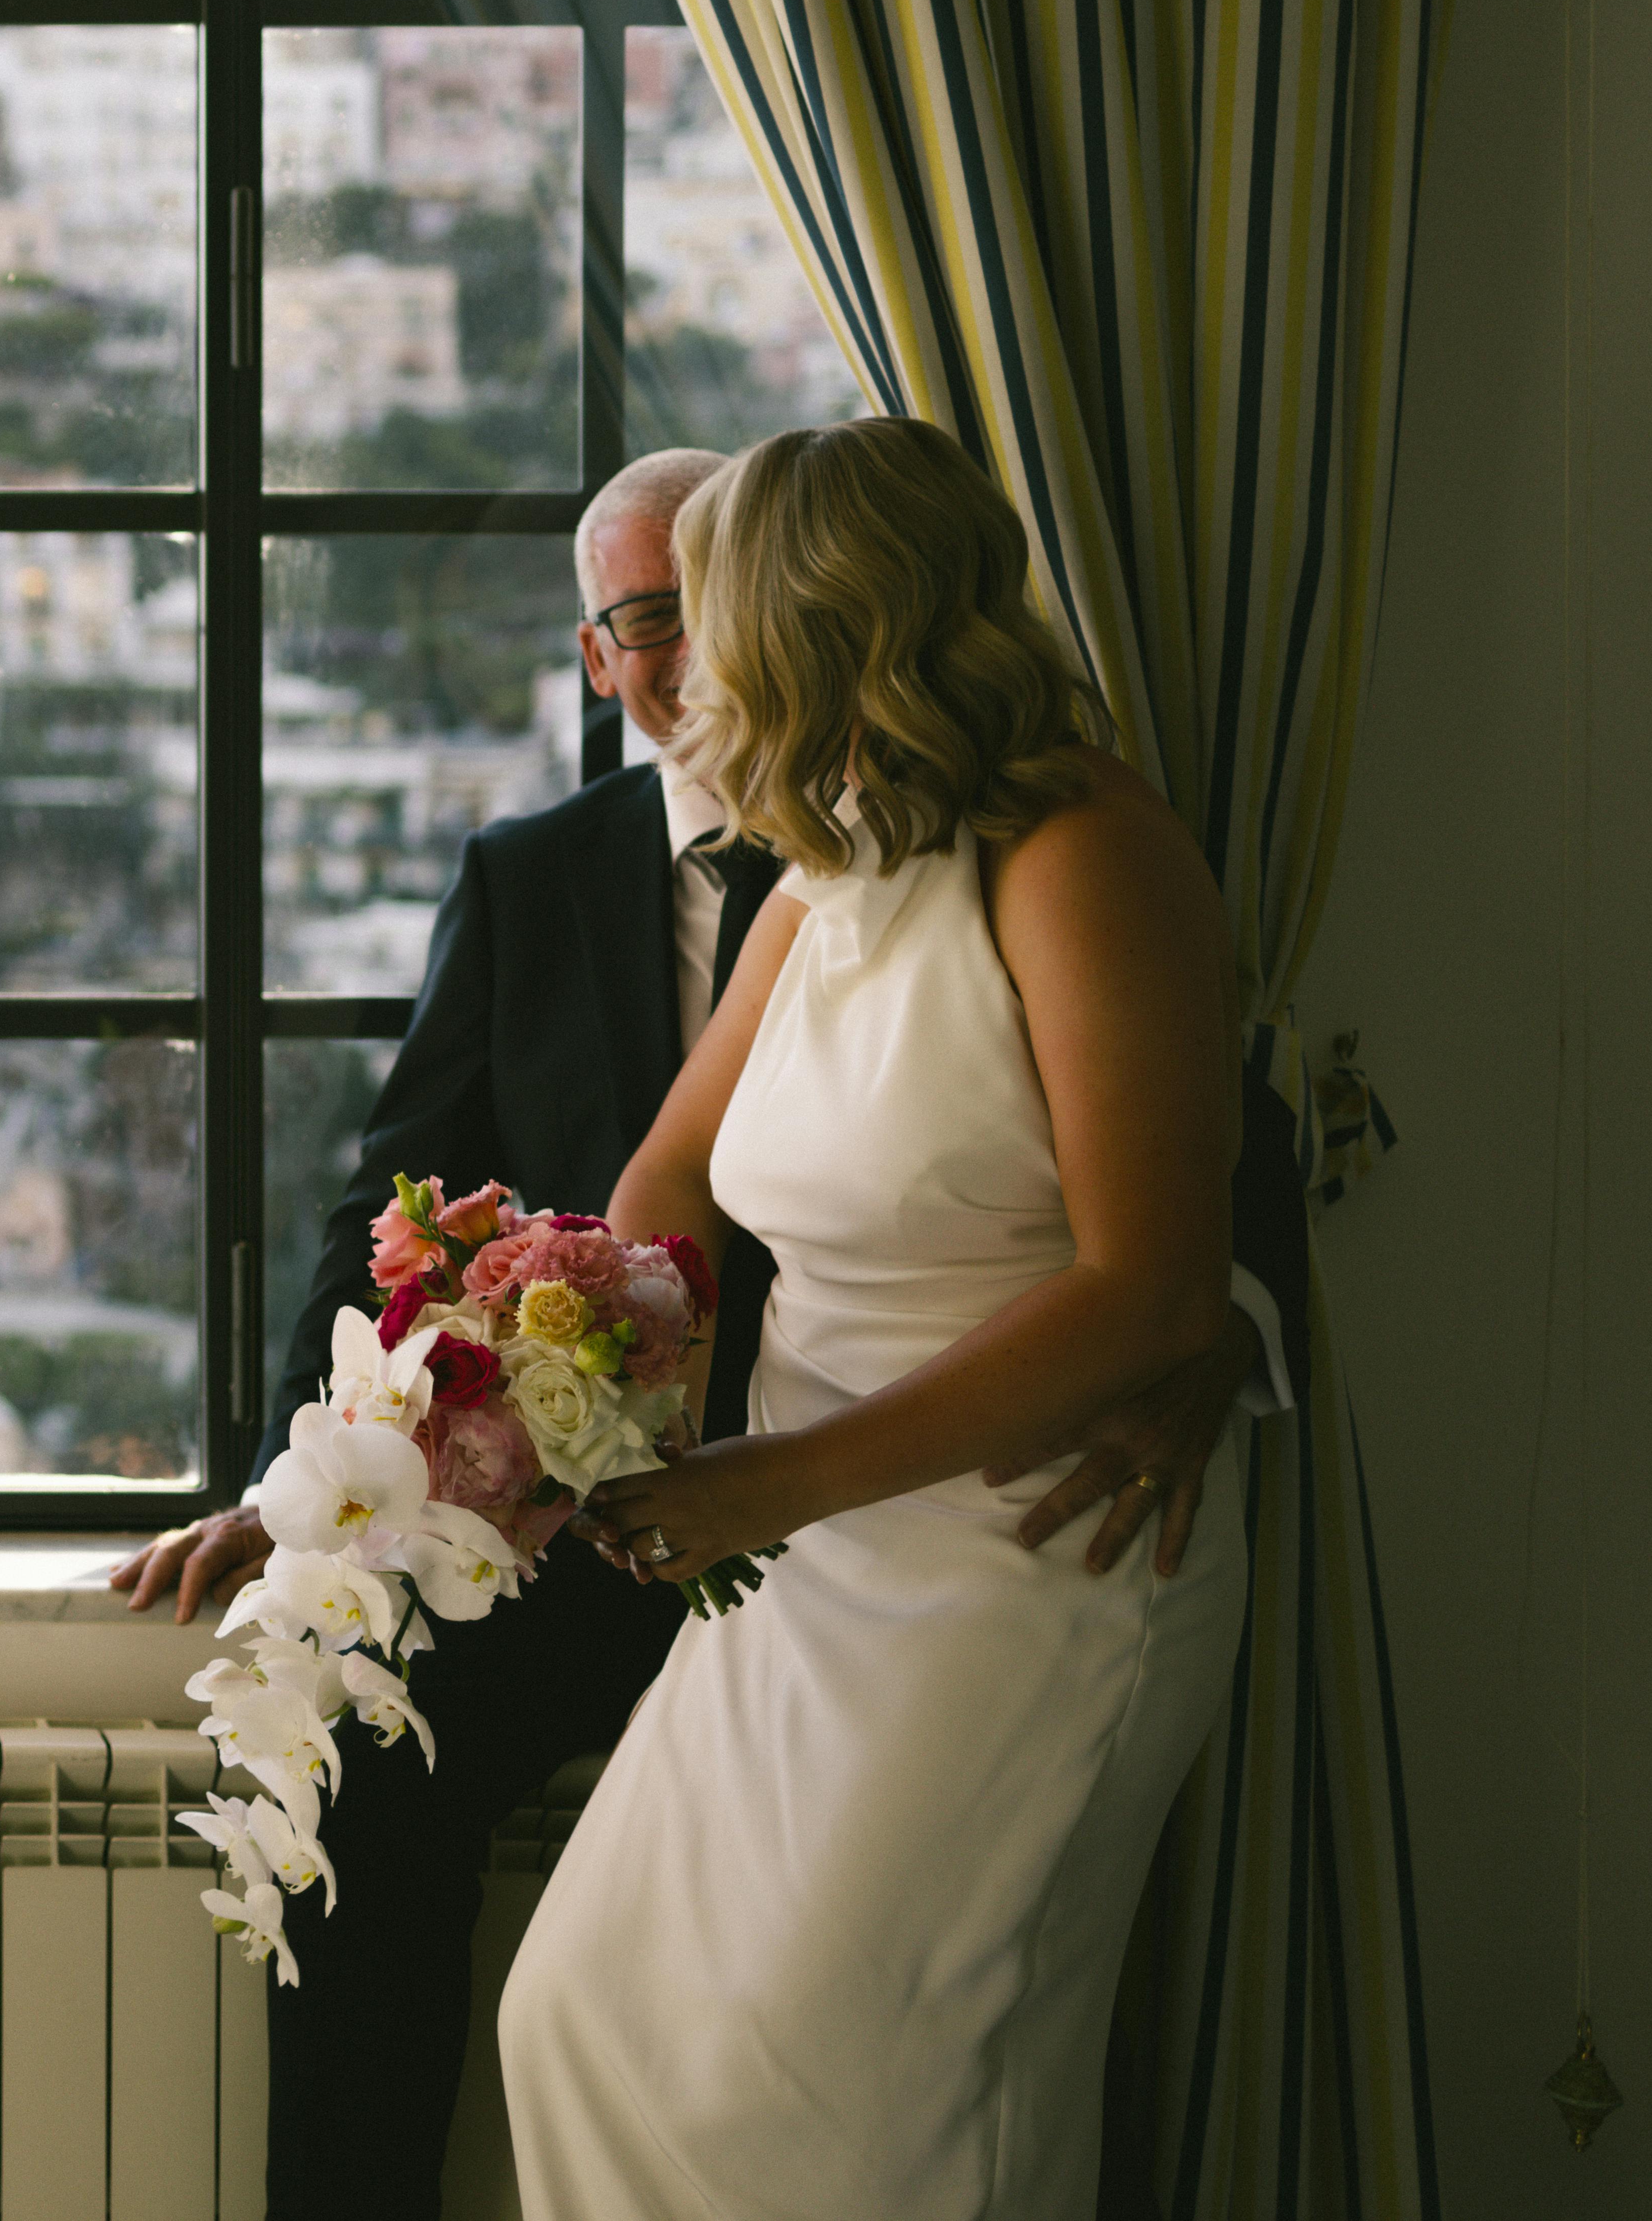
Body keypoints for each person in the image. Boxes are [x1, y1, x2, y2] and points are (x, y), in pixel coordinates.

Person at [507, 418, 1257, 2216]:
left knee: (851, 2097)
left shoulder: (1082, 853)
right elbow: (664, 1188)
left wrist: (769, 1487)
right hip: (799, 1560)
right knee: (584, 2015)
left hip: (1026, 1545)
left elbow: (1148, 1285)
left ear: (823, 616)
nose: (685, 666)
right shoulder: (834, 869)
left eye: (719, 613)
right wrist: (614, 1393)